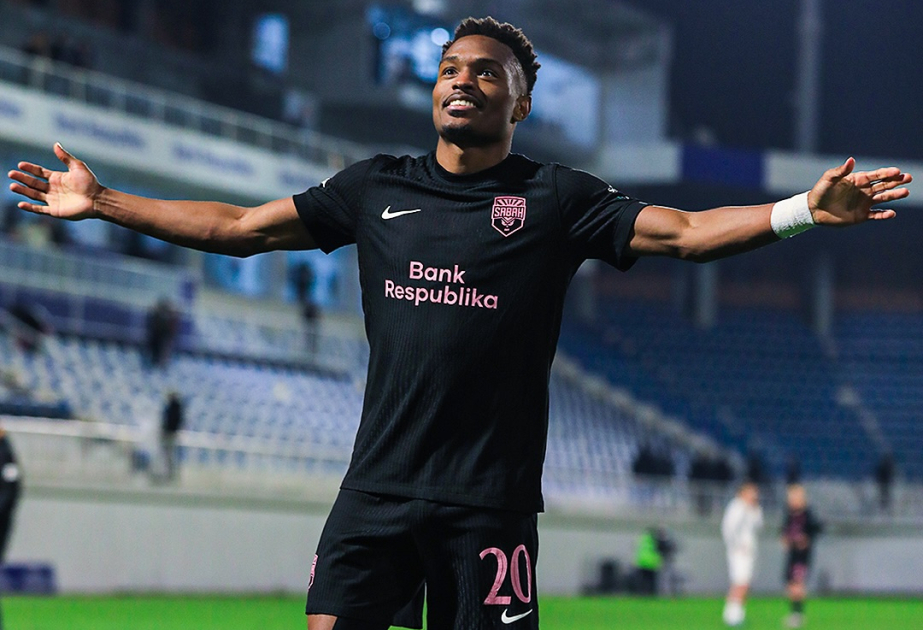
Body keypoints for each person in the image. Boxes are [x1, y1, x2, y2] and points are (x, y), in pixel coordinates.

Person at [6, 16, 912, 630]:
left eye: (486, 73)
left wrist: (801, 210)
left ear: (520, 104)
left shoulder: (556, 199)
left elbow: (682, 234)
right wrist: (105, 201)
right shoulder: (374, 187)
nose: (462, 80)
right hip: (375, 492)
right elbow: (239, 227)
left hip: (488, 503)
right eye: (449, 70)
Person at [721, 482, 763, 626]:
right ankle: (733, 615)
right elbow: (728, 528)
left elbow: (758, 525)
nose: (754, 495)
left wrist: (754, 509)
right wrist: (736, 546)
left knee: (744, 582)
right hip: (739, 552)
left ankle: (735, 613)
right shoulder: (736, 506)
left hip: (750, 550)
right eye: (751, 491)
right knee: (740, 581)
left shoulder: (753, 508)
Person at [781, 484, 823, 628]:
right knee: (790, 584)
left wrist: (806, 538)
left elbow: (817, 528)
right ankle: (795, 613)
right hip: (792, 554)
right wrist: (784, 538)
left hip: (802, 556)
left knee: (798, 583)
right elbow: (785, 530)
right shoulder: (789, 514)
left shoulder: (808, 514)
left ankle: (797, 614)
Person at [159, 391, 184, 482]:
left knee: (169, 455)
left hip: (169, 434)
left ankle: (169, 475)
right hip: (171, 433)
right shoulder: (177, 407)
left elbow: (169, 421)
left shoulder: (173, 408)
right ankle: (169, 474)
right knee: (169, 455)